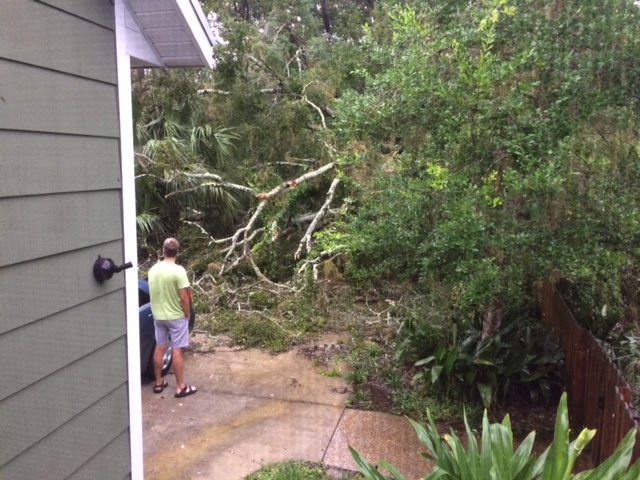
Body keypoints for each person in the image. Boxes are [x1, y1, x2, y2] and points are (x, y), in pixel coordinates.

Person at [148, 237, 197, 398]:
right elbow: (184, 297)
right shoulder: (179, 271)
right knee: (177, 349)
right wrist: (187, 313)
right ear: (177, 251)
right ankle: (180, 387)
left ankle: (158, 382)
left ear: (163, 251)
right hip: (176, 316)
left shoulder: (153, 269)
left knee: (160, 346)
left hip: (158, 316)